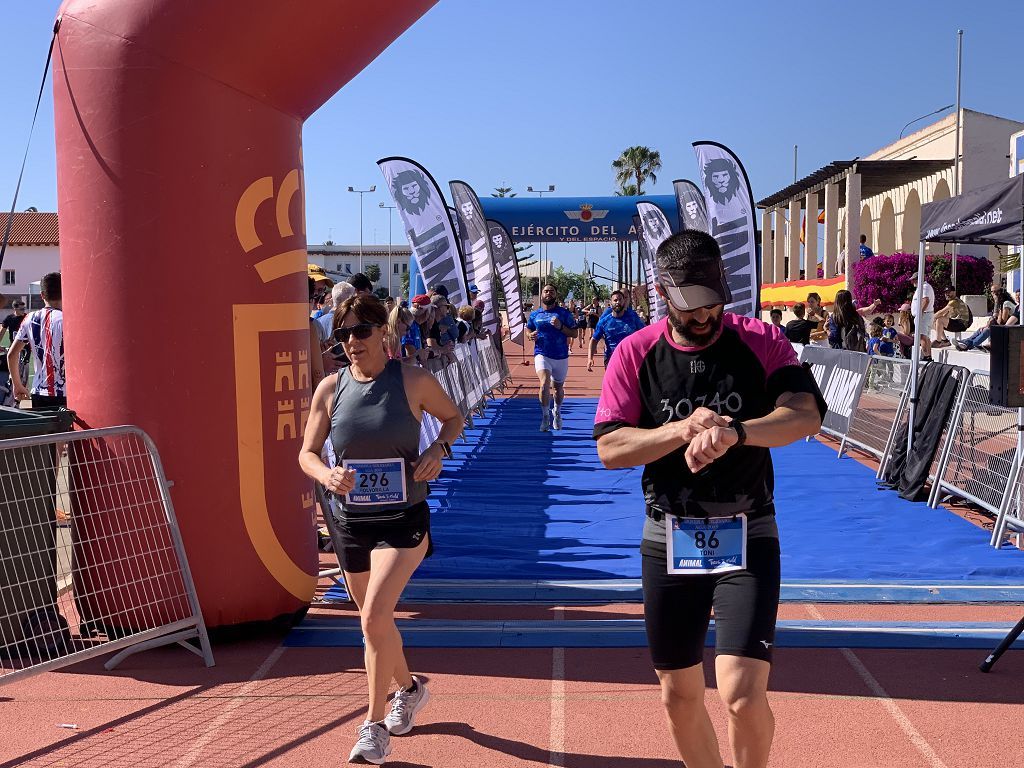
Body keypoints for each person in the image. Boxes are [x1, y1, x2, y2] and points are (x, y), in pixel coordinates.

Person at [593, 230, 825, 768]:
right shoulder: (635, 353)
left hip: (748, 531)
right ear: (662, 292)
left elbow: (805, 413)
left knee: (741, 694)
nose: (704, 317)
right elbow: (610, 448)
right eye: (690, 307)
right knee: (678, 695)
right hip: (669, 537)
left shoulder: (760, 340)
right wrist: (680, 430)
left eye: (713, 302)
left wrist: (736, 432)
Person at [299, 295, 462, 765]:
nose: (351, 342)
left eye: (360, 332)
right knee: (377, 621)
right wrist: (326, 474)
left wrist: (438, 452)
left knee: (372, 619)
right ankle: (409, 689)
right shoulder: (330, 389)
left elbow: (452, 418)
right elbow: (306, 453)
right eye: (343, 334)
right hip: (351, 522)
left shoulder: (412, 380)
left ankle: (371, 728)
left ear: (382, 333)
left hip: (403, 521)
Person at [6, 272, 66, 409]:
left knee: (45, 429)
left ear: (42, 295)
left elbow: (12, 354)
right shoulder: (68, 318)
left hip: (39, 391)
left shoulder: (30, 318)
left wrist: (18, 385)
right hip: (67, 391)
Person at [527, 284, 576, 432]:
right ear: (542, 295)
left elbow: (574, 333)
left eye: (552, 291)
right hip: (542, 353)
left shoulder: (564, 313)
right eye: (546, 291)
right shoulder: (535, 314)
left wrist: (561, 326)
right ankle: (545, 416)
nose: (548, 293)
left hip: (560, 355)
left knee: (558, 388)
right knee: (544, 384)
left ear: (556, 295)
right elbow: (529, 328)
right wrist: (530, 335)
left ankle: (557, 411)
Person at [588, 290, 645, 371]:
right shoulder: (604, 321)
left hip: (630, 359)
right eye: (615, 300)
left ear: (624, 301)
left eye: (620, 299)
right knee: (614, 383)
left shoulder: (632, 317)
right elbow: (594, 340)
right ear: (611, 303)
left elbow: (644, 333)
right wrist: (590, 358)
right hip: (611, 359)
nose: (618, 302)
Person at [956, 284, 1017, 351]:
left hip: (1011, 329)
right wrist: (987, 325)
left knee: (988, 330)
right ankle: (966, 342)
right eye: (992, 292)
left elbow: (1002, 321)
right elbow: (993, 318)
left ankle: (968, 345)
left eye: (996, 292)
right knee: (981, 329)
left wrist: (997, 303)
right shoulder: (1001, 304)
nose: (993, 294)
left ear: (1001, 292)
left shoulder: (1006, 303)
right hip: (1003, 327)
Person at [911, 278, 935, 359]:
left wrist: (919, 314)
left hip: (923, 315)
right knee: (926, 337)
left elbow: (926, 300)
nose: (912, 282)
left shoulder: (924, 287)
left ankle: (926, 356)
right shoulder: (926, 287)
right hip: (926, 315)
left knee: (922, 336)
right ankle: (928, 356)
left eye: (914, 280)